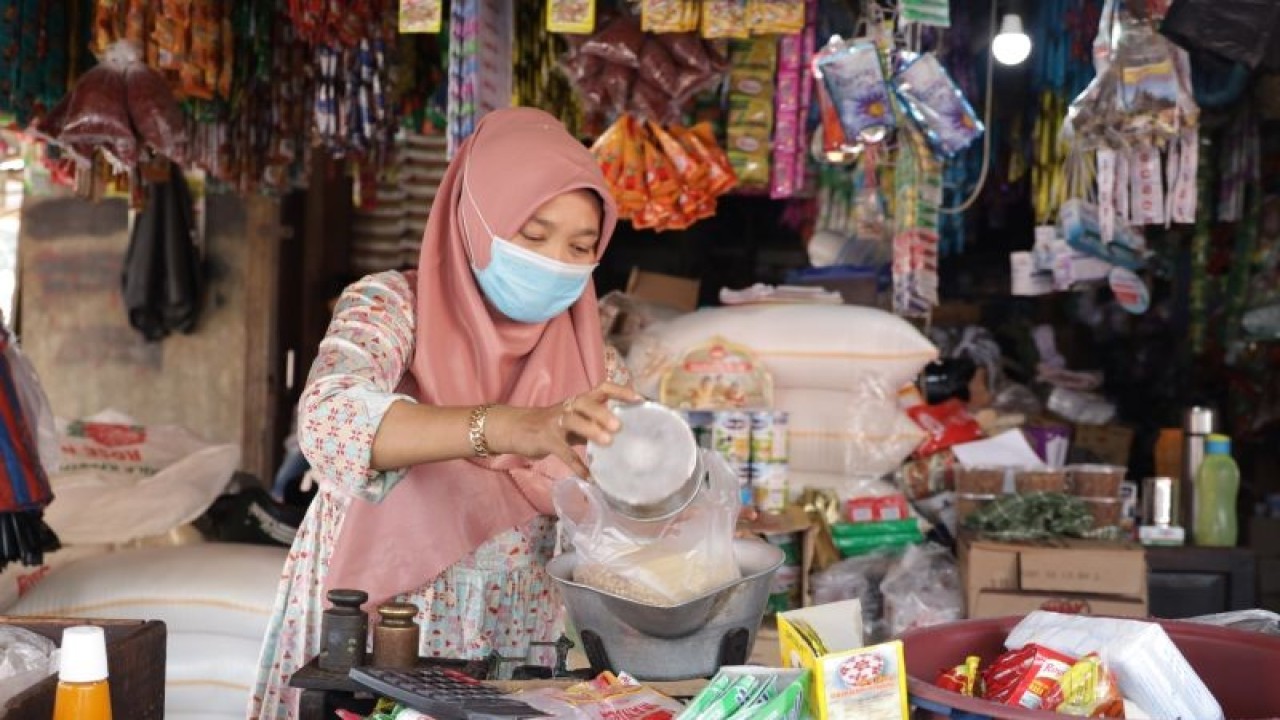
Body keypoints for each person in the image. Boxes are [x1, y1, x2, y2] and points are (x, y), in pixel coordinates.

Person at [248, 107, 641, 719]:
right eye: (532, 236)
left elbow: (627, 507)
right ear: (474, 220)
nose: (554, 260)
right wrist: (505, 425)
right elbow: (328, 419)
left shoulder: (598, 369)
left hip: (524, 641)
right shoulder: (391, 308)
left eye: (580, 245)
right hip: (379, 629)